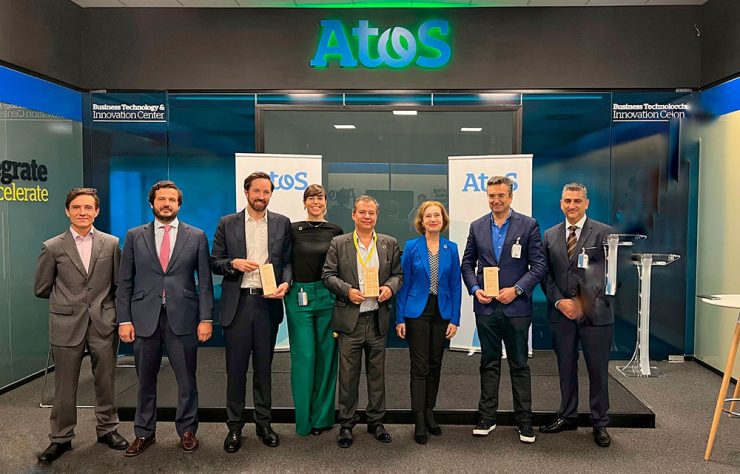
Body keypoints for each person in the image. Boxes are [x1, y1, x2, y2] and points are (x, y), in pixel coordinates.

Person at [116, 180, 214, 456]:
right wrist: (124, 320)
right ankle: (144, 432)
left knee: (187, 380)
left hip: (183, 317)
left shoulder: (196, 236)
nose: (166, 204)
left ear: (179, 205)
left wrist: (206, 318)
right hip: (143, 318)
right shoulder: (134, 236)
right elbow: (125, 282)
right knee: (145, 381)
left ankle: (187, 430)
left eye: (172, 200)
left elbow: (205, 283)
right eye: (161, 199)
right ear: (152, 203)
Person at [34, 188, 128, 464]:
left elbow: (119, 284)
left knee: (105, 380)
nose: (82, 212)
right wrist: (68, 301)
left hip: (103, 322)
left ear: (96, 211)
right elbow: (41, 287)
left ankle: (107, 429)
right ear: (67, 211)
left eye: (88, 207)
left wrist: (114, 314)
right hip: (66, 323)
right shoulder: (52, 246)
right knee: (64, 385)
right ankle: (61, 438)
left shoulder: (111, 244)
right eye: (76, 207)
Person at [461, 175, 547, 444]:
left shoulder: (529, 225)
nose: (495, 200)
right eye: (491, 196)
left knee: (519, 364)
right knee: (488, 363)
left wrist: (517, 290)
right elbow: (467, 264)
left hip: (516, 308)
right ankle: (487, 417)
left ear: (510, 197)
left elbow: (539, 266)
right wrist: (475, 289)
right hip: (486, 307)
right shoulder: (477, 226)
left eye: (500, 195)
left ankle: (525, 422)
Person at [211, 171, 292, 452]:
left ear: (271, 195)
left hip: (268, 304)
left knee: (264, 369)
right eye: (256, 191)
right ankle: (234, 427)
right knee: (235, 371)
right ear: (246, 192)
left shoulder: (282, 223)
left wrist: (286, 283)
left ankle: (264, 424)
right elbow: (214, 261)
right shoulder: (227, 223)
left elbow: (287, 261)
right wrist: (233, 264)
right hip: (238, 304)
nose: (261, 196)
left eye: (266, 192)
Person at [322, 195, 403, 449]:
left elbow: (398, 275)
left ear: (376, 216)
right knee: (348, 377)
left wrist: (389, 288)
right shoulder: (339, 243)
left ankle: (376, 422)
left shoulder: (389, 243)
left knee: (377, 376)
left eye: (371, 213)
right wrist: (347, 291)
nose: (367, 216)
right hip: (350, 321)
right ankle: (346, 424)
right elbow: (328, 275)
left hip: (377, 319)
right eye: (362, 212)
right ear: (353, 215)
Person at [539, 182, 616, 448]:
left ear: (586, 203)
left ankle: (600, 422)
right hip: (561, 315)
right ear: (561, 203)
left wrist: (582, 301)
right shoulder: (549, 235)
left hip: (596, 315)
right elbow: (544, 274)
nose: (572, 205)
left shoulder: (605, 233)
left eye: (577, 201)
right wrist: (560, 301)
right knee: (565, 368)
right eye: (567, 201)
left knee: (598, 370)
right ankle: (567, 415)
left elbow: (610, 274)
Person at [395, 201, 461, 445]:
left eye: (437, 216)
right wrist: (400, 318)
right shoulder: (412, 246)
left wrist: (455, 319)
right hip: (417, 313)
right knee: (420, 366)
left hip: (442, 312)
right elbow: (403, 284)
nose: (433, 219)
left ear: (443, 220)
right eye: (428, 216)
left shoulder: (451, 248)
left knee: (435, 364)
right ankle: (419, 418)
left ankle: (430, 411)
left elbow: (455, 285)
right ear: (421, 221)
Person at [284, 184, 343, 436]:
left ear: (326, 202)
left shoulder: (336, 230)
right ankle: (303, 421)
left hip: (328, 295)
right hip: (299, 296)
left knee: (327, 358)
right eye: (311, 198)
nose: (316, 202)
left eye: (320, 198)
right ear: (304, 202)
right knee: (304, 357)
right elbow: (285, 260)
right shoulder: (292, 229)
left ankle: (322, 419)